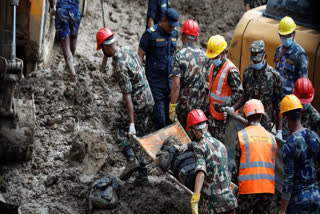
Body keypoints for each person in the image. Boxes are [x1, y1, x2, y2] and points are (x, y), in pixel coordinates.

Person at [96, 28, 154, 182]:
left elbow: (127, 95)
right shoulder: (128, 50)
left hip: (137, 102)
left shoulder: (119, 65)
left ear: (106, 47)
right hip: (148, 97)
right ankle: (143, 174)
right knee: (138, 136)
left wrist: (131, 122)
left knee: (116, 129)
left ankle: (130, 160)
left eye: (102, 49)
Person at [187, 109, 237, 214]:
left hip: (213, 206)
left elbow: (201, 173)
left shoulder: (200, 147)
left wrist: (195, 198)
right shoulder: (221, 145)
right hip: (229, 201)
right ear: (207, 127)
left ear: (193, 131)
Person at [234, 99, 278, 214]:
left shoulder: (242, 135)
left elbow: (237, 164)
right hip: (267, 188)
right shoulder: (271, 138)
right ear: (261, 116)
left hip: (248, 188)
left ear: (245, 116)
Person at [138, 8, 179, 131]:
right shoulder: (150, 34)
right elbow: (140, 55)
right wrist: (141, 78)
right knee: (160, 117)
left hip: (169, 82)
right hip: (155, 83)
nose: (172, 28)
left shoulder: (174, 34)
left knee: (169, 117)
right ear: (163, 20)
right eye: (170, 25)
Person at [279, 94, 320, 214]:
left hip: (298, 200)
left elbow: (288, 180)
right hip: (316, 196)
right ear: (300, 114)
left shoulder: (290, 144)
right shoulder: (315, 136)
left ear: (285, 117)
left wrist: (282, 211)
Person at [232, 40, 283, 137]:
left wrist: (279, 130)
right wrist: (233, 108)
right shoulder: (248, 72)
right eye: (253, 61)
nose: (255, 63)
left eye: (257, 61)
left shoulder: (274, 76)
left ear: (265, 57)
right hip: (247, 121)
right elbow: (245, 95)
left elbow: (278, 106)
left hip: (264, 125)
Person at [169, 19, 208, 128]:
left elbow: (176, 85)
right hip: (201, 104)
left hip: (185, 105)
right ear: (196, 37)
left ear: (183, 35)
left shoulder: (179, 56)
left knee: (184, 134)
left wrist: (172, 106)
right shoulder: (203, 55)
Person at [206, 35, 243, 142]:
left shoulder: (231, 70)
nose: (213, 59)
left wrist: (226, 104)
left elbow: (239, 93)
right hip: (213, 115)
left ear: (223, 53)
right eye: (212, 57)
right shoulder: (213, 66)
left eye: (215, 57)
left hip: (225, 119)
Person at [274, 16, 308, 97]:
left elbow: (303, 83)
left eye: (288, 35)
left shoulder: (300, 54)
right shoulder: (278, 51)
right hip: (277, 98)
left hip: (291, 101)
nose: (285, 38)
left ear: (294, 34)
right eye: (282, 35)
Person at [49, 0, 81, 80]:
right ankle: (68, 68)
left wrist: (52, 7)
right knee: (73, 37)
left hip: (62, 10)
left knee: (65, 43)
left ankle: (72, 74)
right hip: (75, 10)